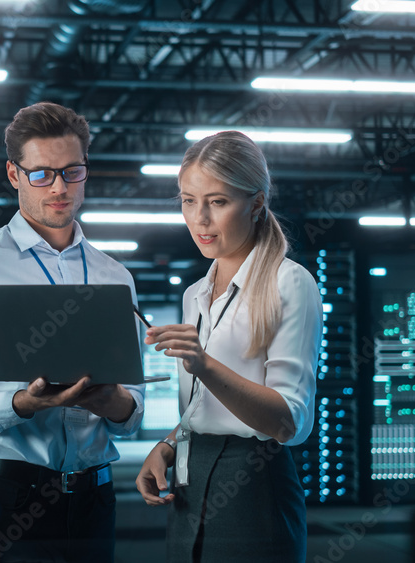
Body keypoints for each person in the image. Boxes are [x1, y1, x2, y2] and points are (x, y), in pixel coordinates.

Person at [0, 102, 146, 562]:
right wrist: (21, 404)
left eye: (72, 172)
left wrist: (118, 405)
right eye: (42, 174)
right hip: (9, 500)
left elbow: (134, 414)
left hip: (95, 501)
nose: (60, 188)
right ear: (14, 174)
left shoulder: (115, 277)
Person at [135, 131, 323, 562]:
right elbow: (204, 410)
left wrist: (203, 364)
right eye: (188, 200)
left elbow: (288, 422)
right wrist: (168, 444)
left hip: (253, 484)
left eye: (217, 202)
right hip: (190, 477)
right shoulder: (195, 293)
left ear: (256, 204)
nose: (199, 219)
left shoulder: (289, 283)